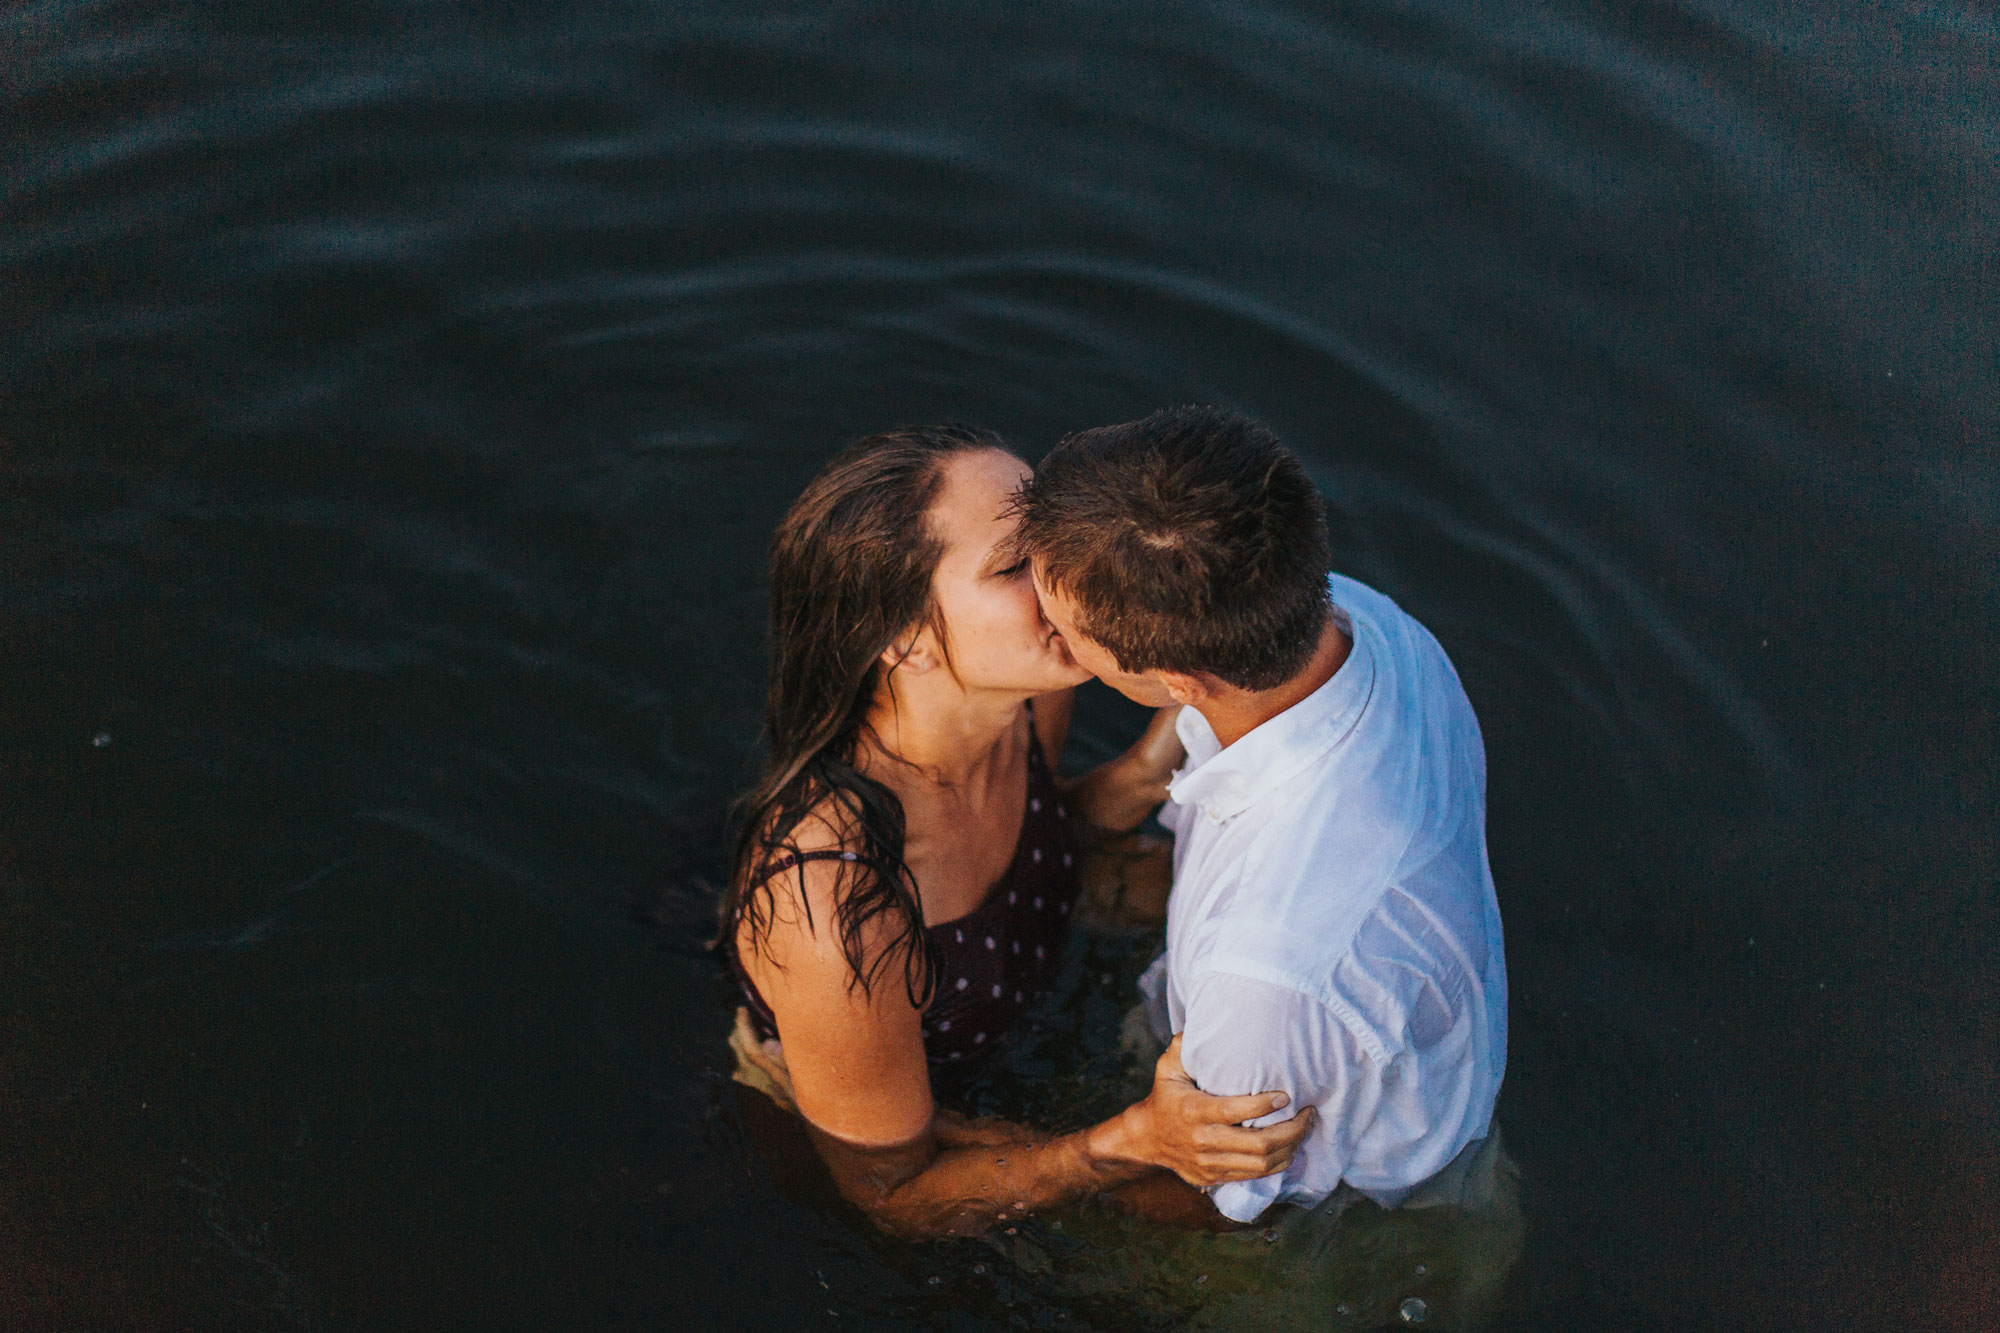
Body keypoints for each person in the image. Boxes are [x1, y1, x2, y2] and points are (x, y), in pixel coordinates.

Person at [719, 424, 1313, 1239]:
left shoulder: (1034, 690)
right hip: (872, 1125)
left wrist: (1145, 771)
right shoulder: (830, 898)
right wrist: (1123, 1141)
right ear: (904, 639)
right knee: (1220, 1218)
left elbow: (1046, 833)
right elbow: (888, 1193)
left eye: (1053, 533)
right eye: (1014, 564)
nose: (1072, 571)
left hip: (1003, 984)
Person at [1010, 406, 1509, 1225]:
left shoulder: (1268, 976)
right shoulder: (1365, 623)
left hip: (1351, 1218)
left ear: (1180, 677)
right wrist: (1141, 770)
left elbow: (1211, 1204)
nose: (1043, 629)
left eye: (1063, 630)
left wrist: (1013, 1149)